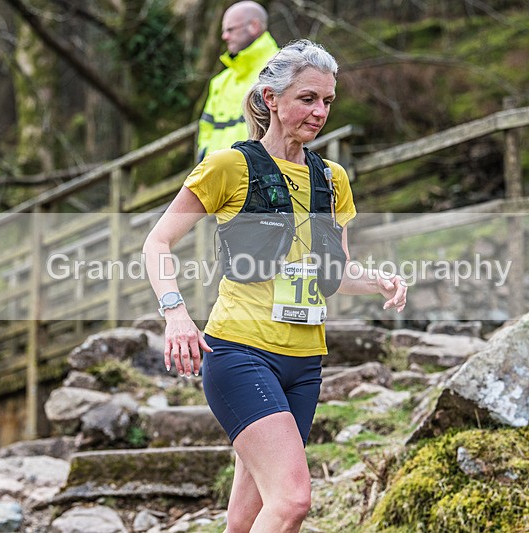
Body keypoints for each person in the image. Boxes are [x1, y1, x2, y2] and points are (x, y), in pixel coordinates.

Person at [144, 40, 406, 533]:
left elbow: (333, 275)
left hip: (304, 365)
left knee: (247, 520)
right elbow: (156, 241)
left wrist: (377, 282)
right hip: (242, 353)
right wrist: (175, 312)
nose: (320, 111)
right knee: (291, 501)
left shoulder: (333, 179)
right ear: (271, 99)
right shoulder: (229, 167)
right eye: (307, 98)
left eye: (327, 101)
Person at [196, 1, 279, 162]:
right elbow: (206, 129)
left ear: (254, 26)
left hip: (262, 176)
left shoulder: (283, 69)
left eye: (230, 29)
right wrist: (204, 157)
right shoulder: (220, 81)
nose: (224, 36)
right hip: (217, 176)